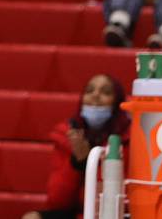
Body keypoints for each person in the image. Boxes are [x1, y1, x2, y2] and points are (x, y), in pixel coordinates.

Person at [21, 74, 130, 219]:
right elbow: (56, 201)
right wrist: (77, 163)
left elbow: (123, 198)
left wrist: (94, 164)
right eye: (90, 91)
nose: (95, 95)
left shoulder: (129, 137)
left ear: (117, 103)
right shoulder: (68, 135)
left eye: (106, 92)